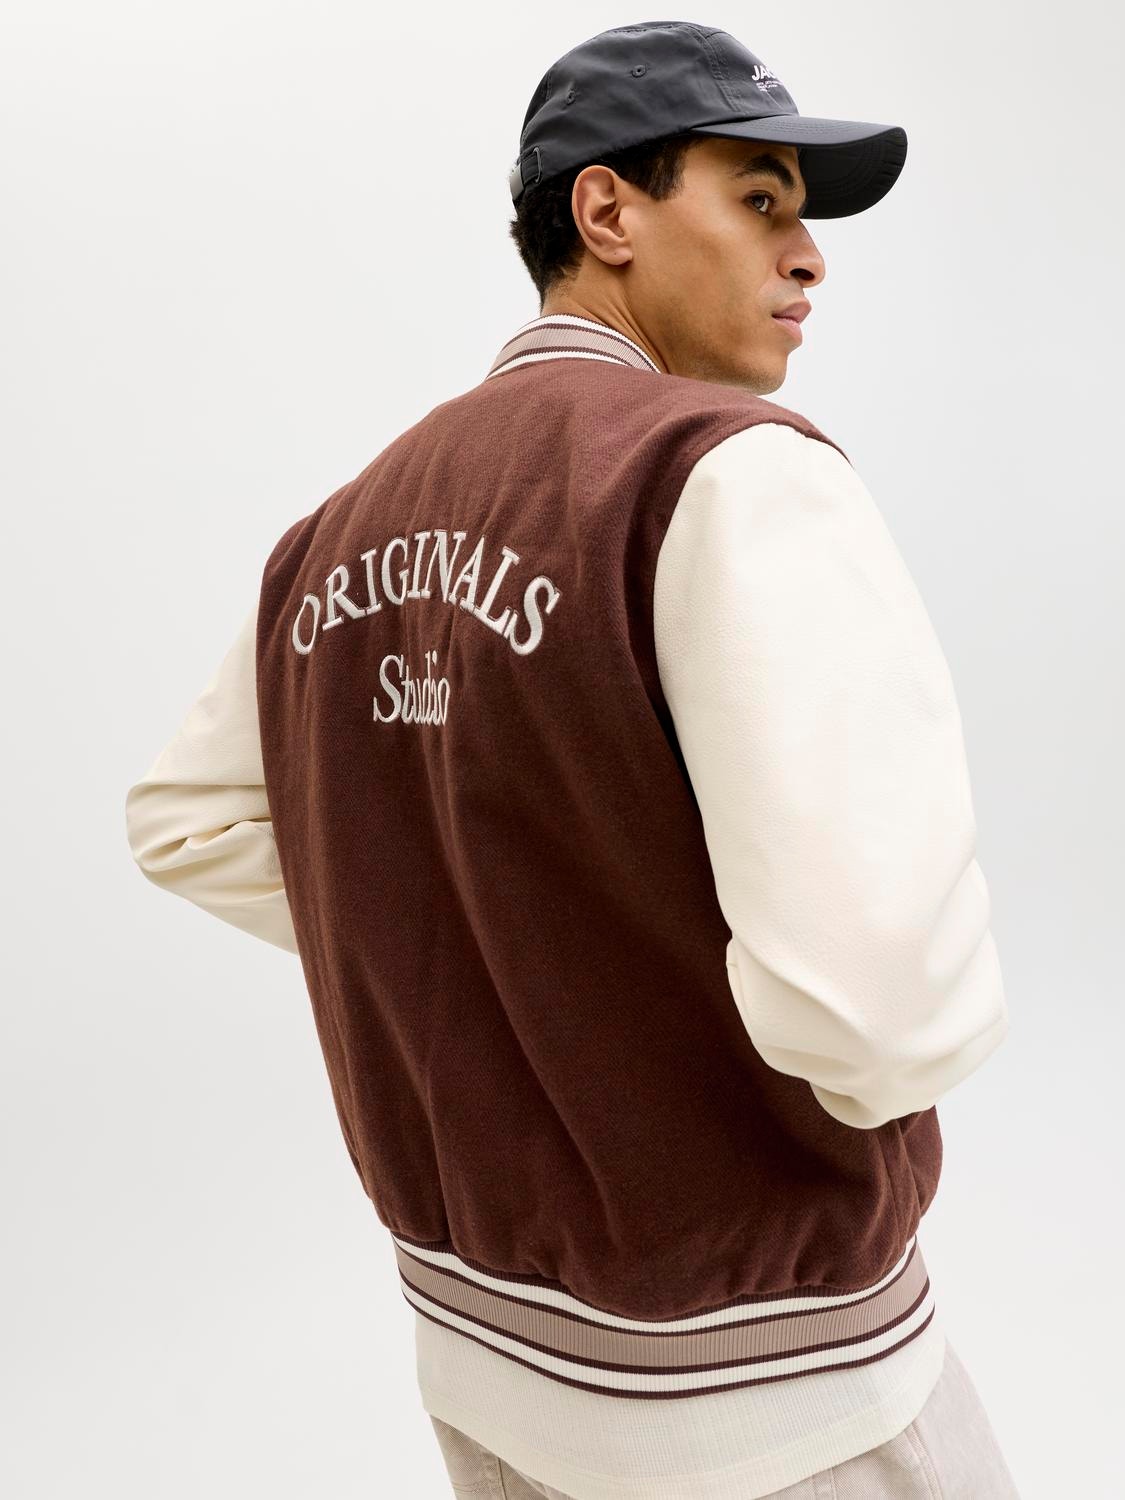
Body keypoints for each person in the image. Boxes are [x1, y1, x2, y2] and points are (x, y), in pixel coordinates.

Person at [124, 20, 1021, 1500]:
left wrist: (504, 949)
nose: (808, 257)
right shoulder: (727, 474)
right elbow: (874, 1013)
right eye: (760, 199)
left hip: (485, 1366)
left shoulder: (344, 521)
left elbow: (191, 822)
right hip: (777, 1392)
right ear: (606, 211)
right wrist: (597, 962)